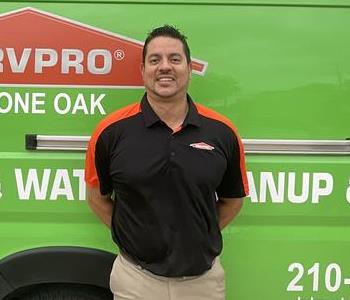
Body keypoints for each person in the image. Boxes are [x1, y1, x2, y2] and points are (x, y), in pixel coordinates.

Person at [84, 25, 249, 300]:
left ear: (189, 69)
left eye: (174, 59)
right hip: (135, 280)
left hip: (203, 283)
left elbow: (233, 200)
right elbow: (96, 197)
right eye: (154, 59)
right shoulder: (111, 131)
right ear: (143, 70)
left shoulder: (222, 132)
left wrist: (197, 234)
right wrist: (132, 236)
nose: (165, 67)